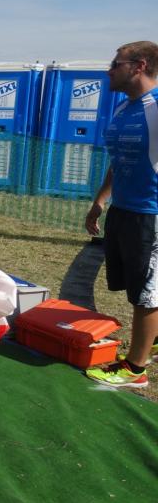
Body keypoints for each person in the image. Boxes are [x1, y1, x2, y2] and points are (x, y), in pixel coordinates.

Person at [85, 40, 158, 389]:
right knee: (134, 286)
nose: (109, 71)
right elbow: (118, 161)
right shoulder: (122, 108)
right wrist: (100, 200)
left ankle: (135, 369)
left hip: (151, 214)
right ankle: (153, 339)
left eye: (116, 64)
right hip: (123, 210)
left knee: (147, 293)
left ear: (139, 66)